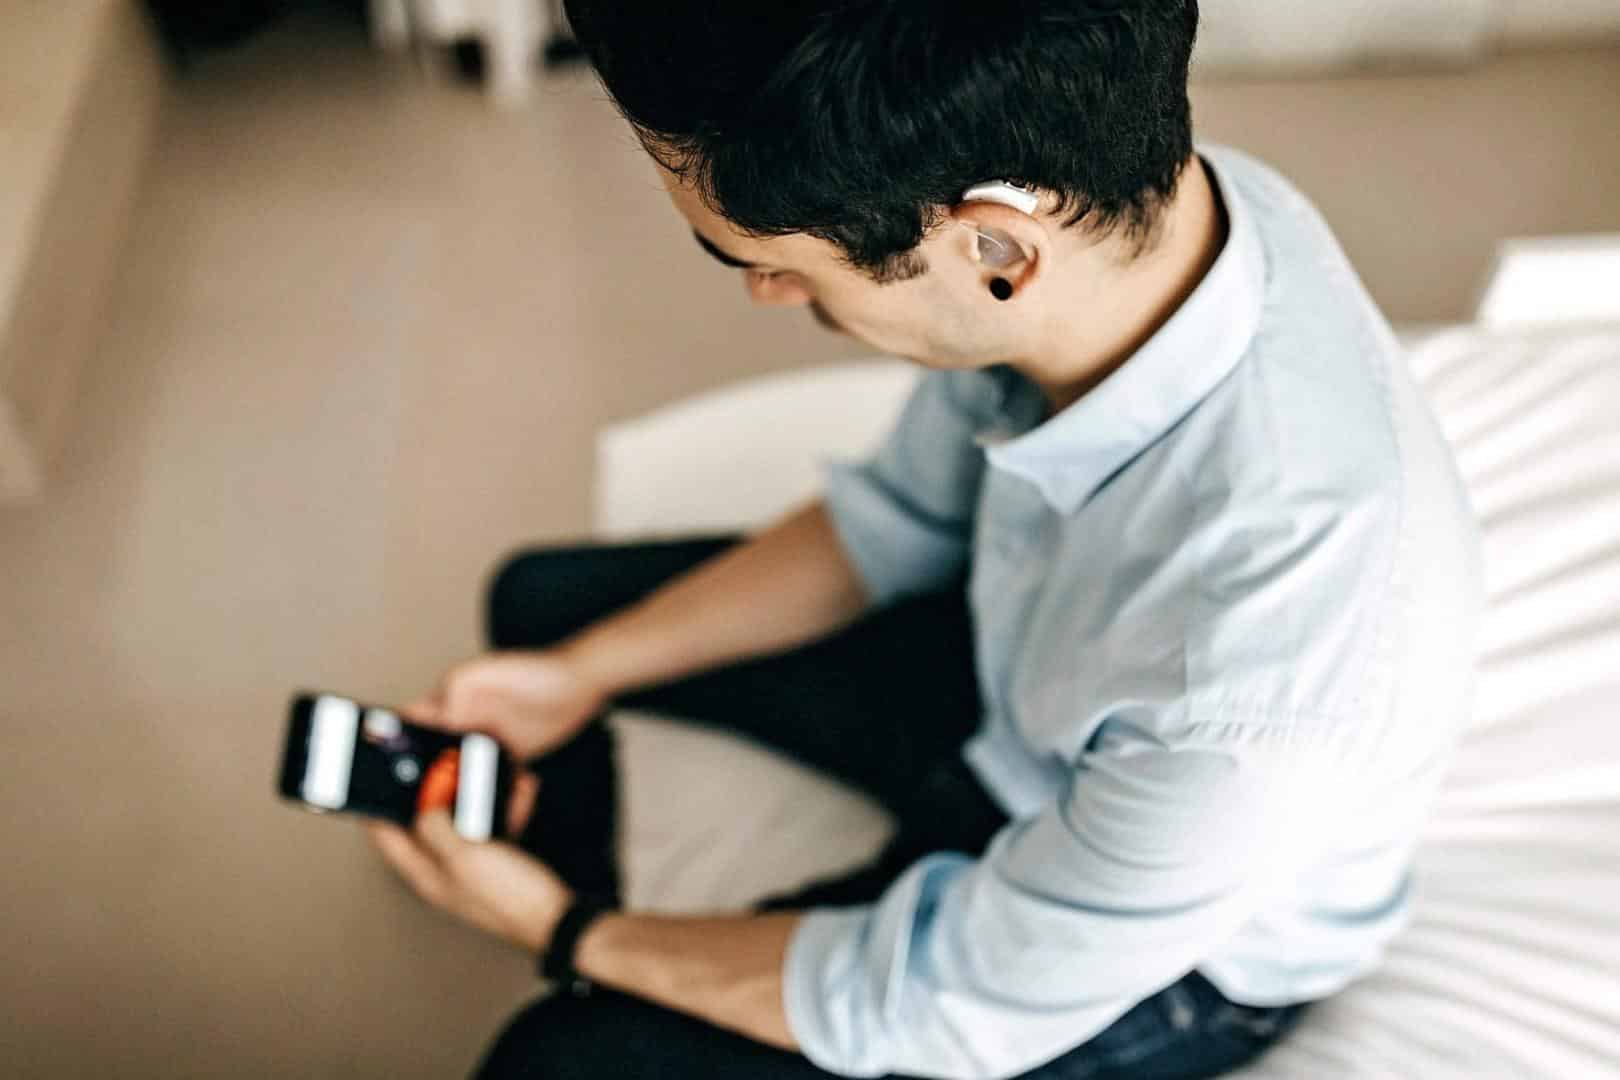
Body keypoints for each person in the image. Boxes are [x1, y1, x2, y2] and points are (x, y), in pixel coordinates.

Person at [365, 3, 1485, 1077]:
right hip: (1022, 678)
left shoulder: (1257, 688)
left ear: (993, 249)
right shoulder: (1125, 218)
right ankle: (552, 856)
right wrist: (575, 676)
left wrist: (572, 933)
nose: (763, 292)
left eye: (769, 259)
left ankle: (564, 922)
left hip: (1161, 955)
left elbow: (938, 997)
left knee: (553, 1062)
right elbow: (898, 523)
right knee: (542, 612)